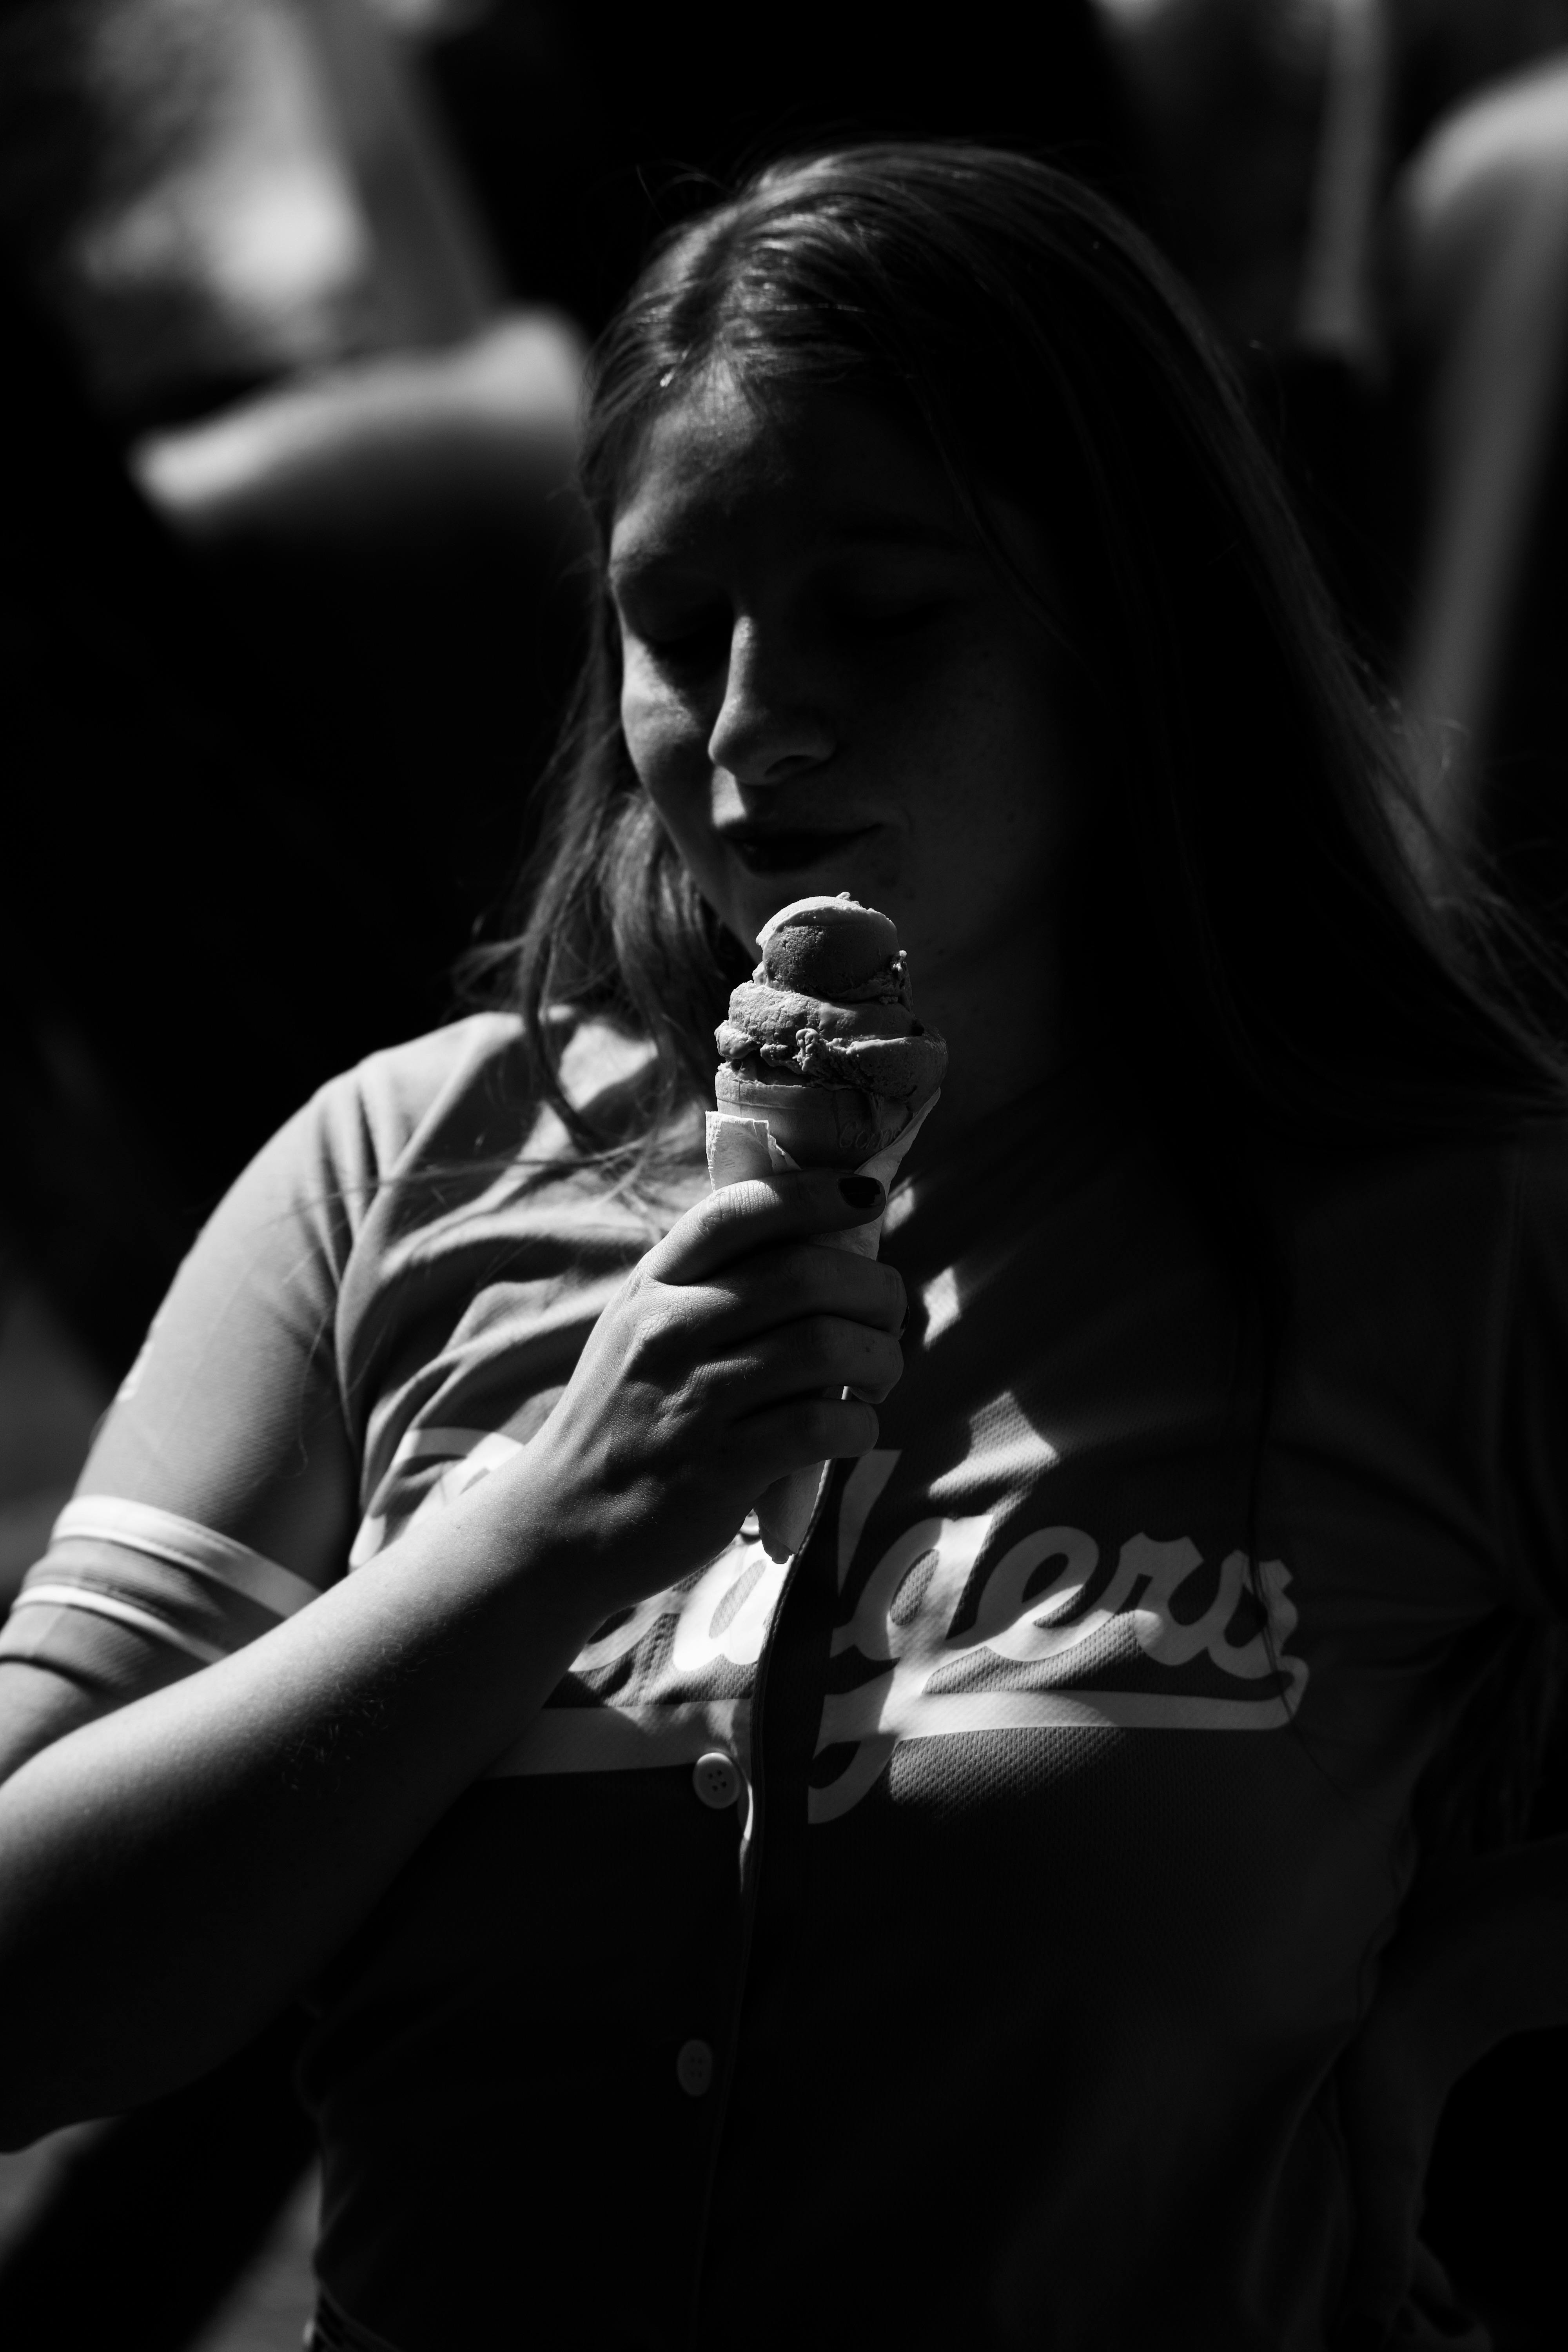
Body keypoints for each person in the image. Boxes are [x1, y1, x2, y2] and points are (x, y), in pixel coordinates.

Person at [0, 141, 1566, 2352]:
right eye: (673, 625)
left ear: (1140, 629)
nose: (746, 730)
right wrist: (534, 1537)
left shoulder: (1462, 1226)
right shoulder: (392, 1174)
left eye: (885, 609)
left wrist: (1455, 2014)